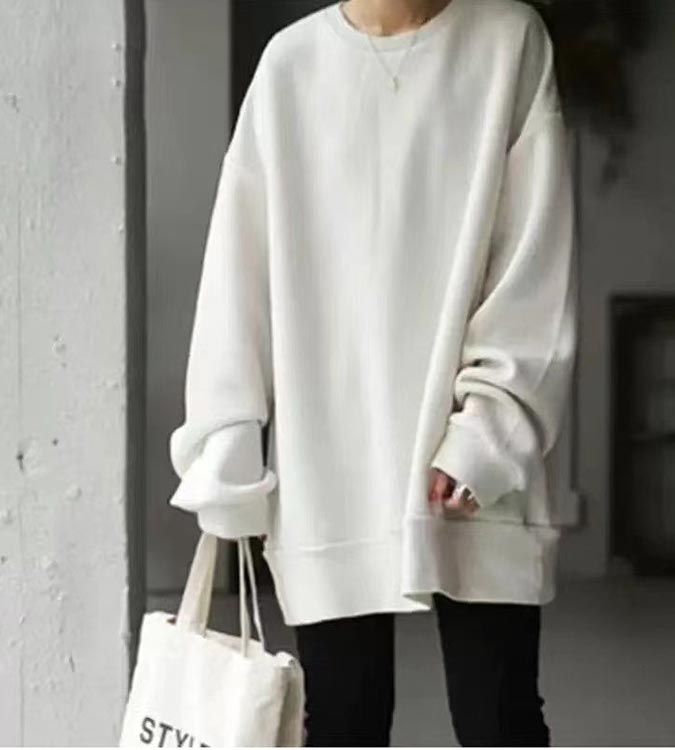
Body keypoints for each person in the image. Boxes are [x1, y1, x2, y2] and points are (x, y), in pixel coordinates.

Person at [168, 0, 578, 745]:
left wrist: (488, 429)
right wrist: (228, 440)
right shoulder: (291, 65)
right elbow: (238, 271)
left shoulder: (508, 42)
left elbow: (533, 258)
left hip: (469, 466)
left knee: (499, 718)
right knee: (343, 721)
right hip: (329, 459)